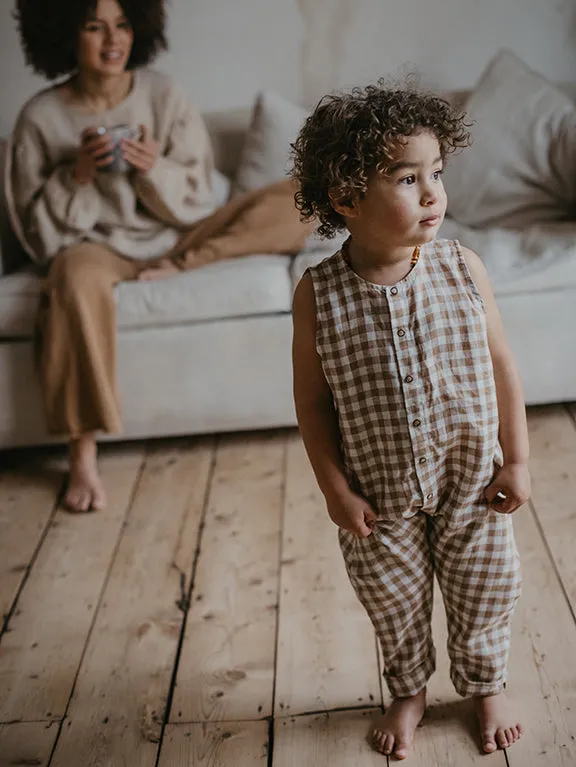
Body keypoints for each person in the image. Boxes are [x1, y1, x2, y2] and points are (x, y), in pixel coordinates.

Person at [290, 83, 530, 759]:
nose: (433, 193)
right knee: (391, 600)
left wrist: (518, 459)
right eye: (406, 178)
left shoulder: (462, 268)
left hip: (473, 480)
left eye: (436, 174)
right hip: (377, 492)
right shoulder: (318, 293)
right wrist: (334, 486)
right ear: (347, 198)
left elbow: (504, 367)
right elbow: (311, 402)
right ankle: (408, 689)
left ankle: (486, 681)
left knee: (486, 581)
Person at [6, 0, 313, 512]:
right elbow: (36, 236)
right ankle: (81, 452)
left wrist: (152, 169)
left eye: (123, 24)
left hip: (179, 237)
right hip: (95, 248)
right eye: (93, 26)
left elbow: (196, 197)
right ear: (64, 34)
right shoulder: (40, 117)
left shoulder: (164, 94)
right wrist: (78, 174)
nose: (112, 40)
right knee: (71, 281)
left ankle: (187, 265)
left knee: (304, 196)